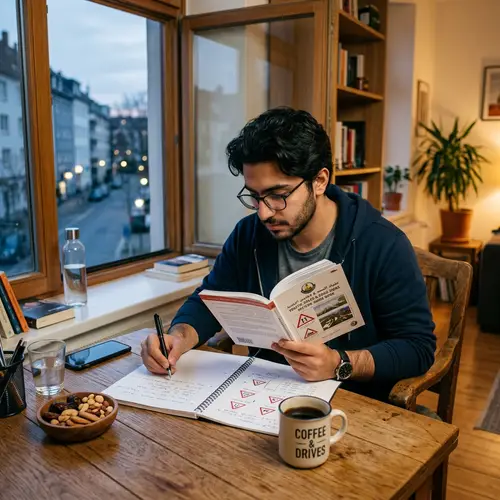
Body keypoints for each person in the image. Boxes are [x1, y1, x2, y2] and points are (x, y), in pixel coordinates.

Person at [141, 107, 436, 402]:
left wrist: (339, 362)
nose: (265, 212)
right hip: (262, 395)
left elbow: (417, 348)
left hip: (354, 402)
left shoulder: (383, 244)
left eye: (278, 195)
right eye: (254, 196)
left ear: (319, 181)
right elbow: (209, 302)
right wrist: (176, 338)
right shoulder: (248, 236)